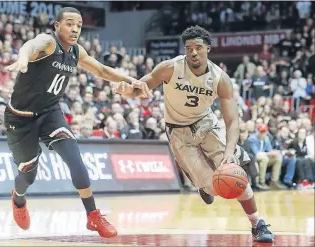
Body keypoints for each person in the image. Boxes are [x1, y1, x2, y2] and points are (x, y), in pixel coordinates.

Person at [115, 26, 274, 243]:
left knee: (236, 177)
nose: (193, 52)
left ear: (208, 49)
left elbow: (232, 121)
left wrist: (229, 152)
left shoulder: (220, 78)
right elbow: (143, 86)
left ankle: (257, 224)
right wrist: (129, 92)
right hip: (178, 131)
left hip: (206, 123)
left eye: (198, 47)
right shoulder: (170, 68)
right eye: (189, 48)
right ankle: (198, 180)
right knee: (214, 188)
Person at [3, 7, 149, 238]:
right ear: (56, 25)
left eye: (79, 25)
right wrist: (22, 59)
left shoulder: (76, 51)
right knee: (28, 175)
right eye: (69, 23)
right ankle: (18, 200)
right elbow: (30, 45)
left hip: (50, 113)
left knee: (75, 160)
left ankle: (92, 215)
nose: (75, 29)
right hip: (21, 119)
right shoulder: (48, 43)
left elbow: (102, 70)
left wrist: (133, 80)